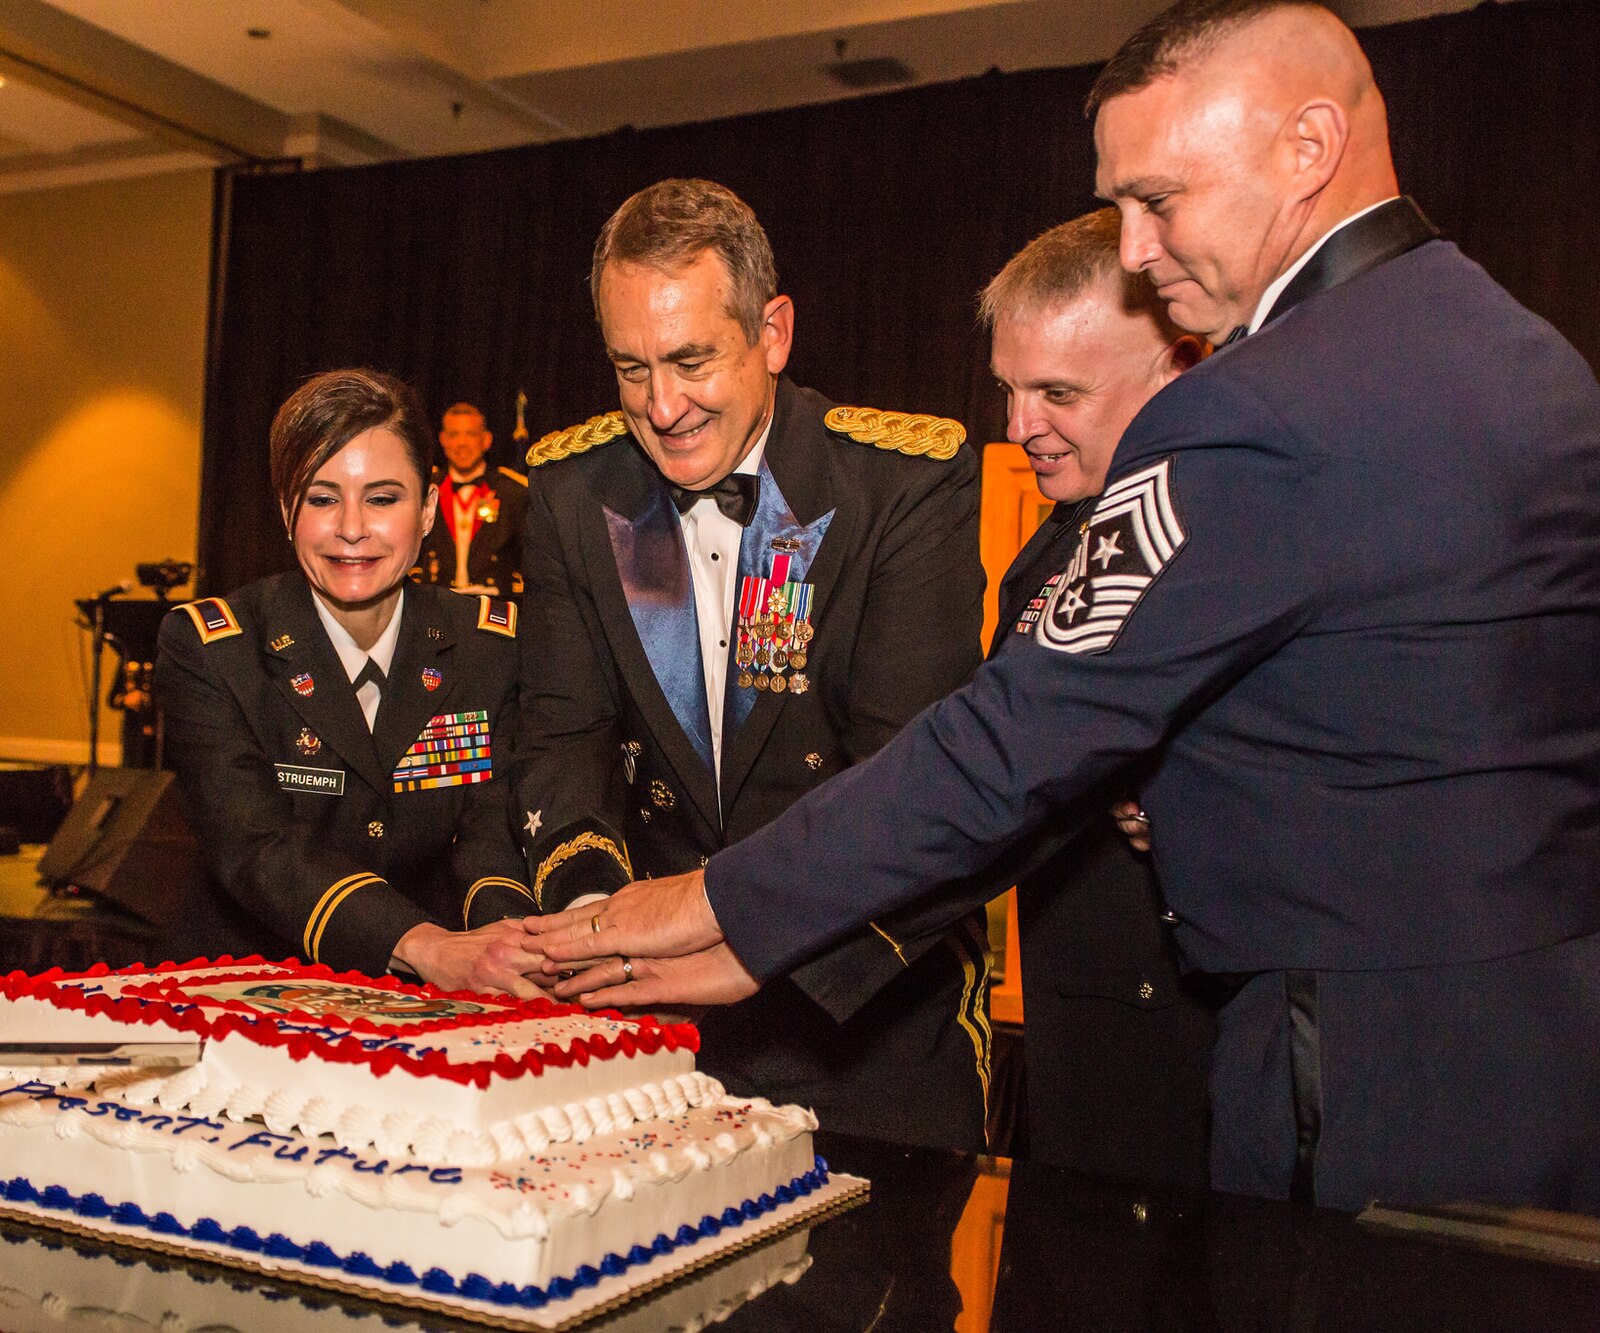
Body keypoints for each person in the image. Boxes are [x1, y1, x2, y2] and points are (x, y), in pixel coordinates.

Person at [531, 0, 1600, 1213]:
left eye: (1159, 199)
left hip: (1363, 1052)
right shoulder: (1525, 355)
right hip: (1550, 1030)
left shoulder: (1252, 406)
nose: (1134, 248)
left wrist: (717, 905)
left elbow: (1011, 739)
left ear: (1306, 148)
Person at [517, 178, 990, 1148]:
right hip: (650, 1021)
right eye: (629, 367)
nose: (661, 405)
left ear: (771, 333)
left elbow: (908, 782)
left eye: (691, 359)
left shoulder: (899, 483)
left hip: (864, 1012)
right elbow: (561, 744)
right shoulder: (573, 492)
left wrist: (748, 935)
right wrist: (597, 925)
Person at [155, 368, 545, 994]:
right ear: (287, 510)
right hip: (246, 987)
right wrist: (427, 947)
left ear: (428, 511)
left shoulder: (487, 645)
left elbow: (489, 837)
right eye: (322, 497)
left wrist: (508, 949)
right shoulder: (212, 648)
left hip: (437, 994)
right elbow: (257, 848)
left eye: (384, 498)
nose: (353, 528)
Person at [978, 207, 1216, 1186]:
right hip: (1077, 1045)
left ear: (1175, 366)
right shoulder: (1045, 549)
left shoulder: (1225, 535)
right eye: (1008, 389)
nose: (1016, 426)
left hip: (1196, 1056)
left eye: (1055, 392)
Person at [416, 402, 528, 597]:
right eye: (454, 435)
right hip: (436, 604)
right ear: (442, 439)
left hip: (495, 606)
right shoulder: (424, 490)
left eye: (471, 434)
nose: (462, 443)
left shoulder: (512, 492)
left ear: (486, 440)